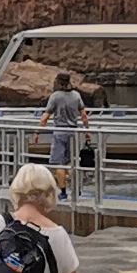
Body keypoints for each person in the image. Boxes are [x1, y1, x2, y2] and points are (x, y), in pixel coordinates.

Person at [43, 69, 90, 206]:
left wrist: (37, 131)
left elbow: (46, 116)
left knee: (59, 164)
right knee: (71, 162)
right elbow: (84, 115)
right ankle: (76, 188)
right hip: (74, 132)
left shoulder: (55, 96)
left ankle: (63, 192)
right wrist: (87, 131)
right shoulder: (76, 95)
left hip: (60, 131)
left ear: (58, 82)